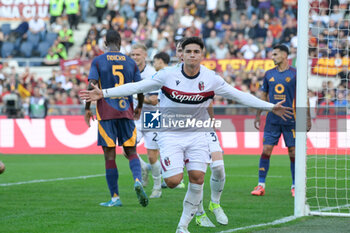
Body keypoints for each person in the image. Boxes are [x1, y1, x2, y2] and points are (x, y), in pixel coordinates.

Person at [80, 37, 293, 233]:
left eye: (196, 51)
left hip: (198, 133)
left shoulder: (212, 79)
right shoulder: (167, 75)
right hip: (170, 133)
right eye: (188, 51)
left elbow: (239, 95)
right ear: (181, 55)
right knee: (173, 181)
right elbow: (137, 86)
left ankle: (183, 226)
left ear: (202, 55)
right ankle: (164, 174)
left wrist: (270, 106)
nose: (192, 54)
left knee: (198, 177)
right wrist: (104, 93)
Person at [84, 30, 148, 207]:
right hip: (126, 112)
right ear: (120, 43)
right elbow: (139, 88)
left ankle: (115, 198)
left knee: (109, 156)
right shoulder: (130, 62)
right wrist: (140, 106)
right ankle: (137, 180)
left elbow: (91, 85)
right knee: (132, 152)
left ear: (105, 43)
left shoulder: (98, 61)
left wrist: (88, 109)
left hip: (106, 113)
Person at [251, 44, 311, 198]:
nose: (272, 57)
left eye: (275, 54)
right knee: (266, 150)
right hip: (272, 120)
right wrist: (258, 114)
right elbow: (263, 96)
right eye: (272, 54)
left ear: (284, 55)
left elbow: (304, 97)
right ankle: (260, 185)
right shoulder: (269, 74)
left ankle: (295, 186)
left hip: (292, 119)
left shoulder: (296, 74)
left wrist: (308, 118)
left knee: (293, 152)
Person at [130, 44, 162, 198]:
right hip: (135, 117)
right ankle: (143, 167)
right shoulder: (129, 72)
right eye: (132, 55)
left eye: (138, 54)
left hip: (151, 116)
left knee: (152, 155)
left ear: (145, 56)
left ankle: (157, 188)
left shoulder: (152, 74)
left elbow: (154, 100)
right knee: (126, 149)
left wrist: (136, 96)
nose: (135, 57)